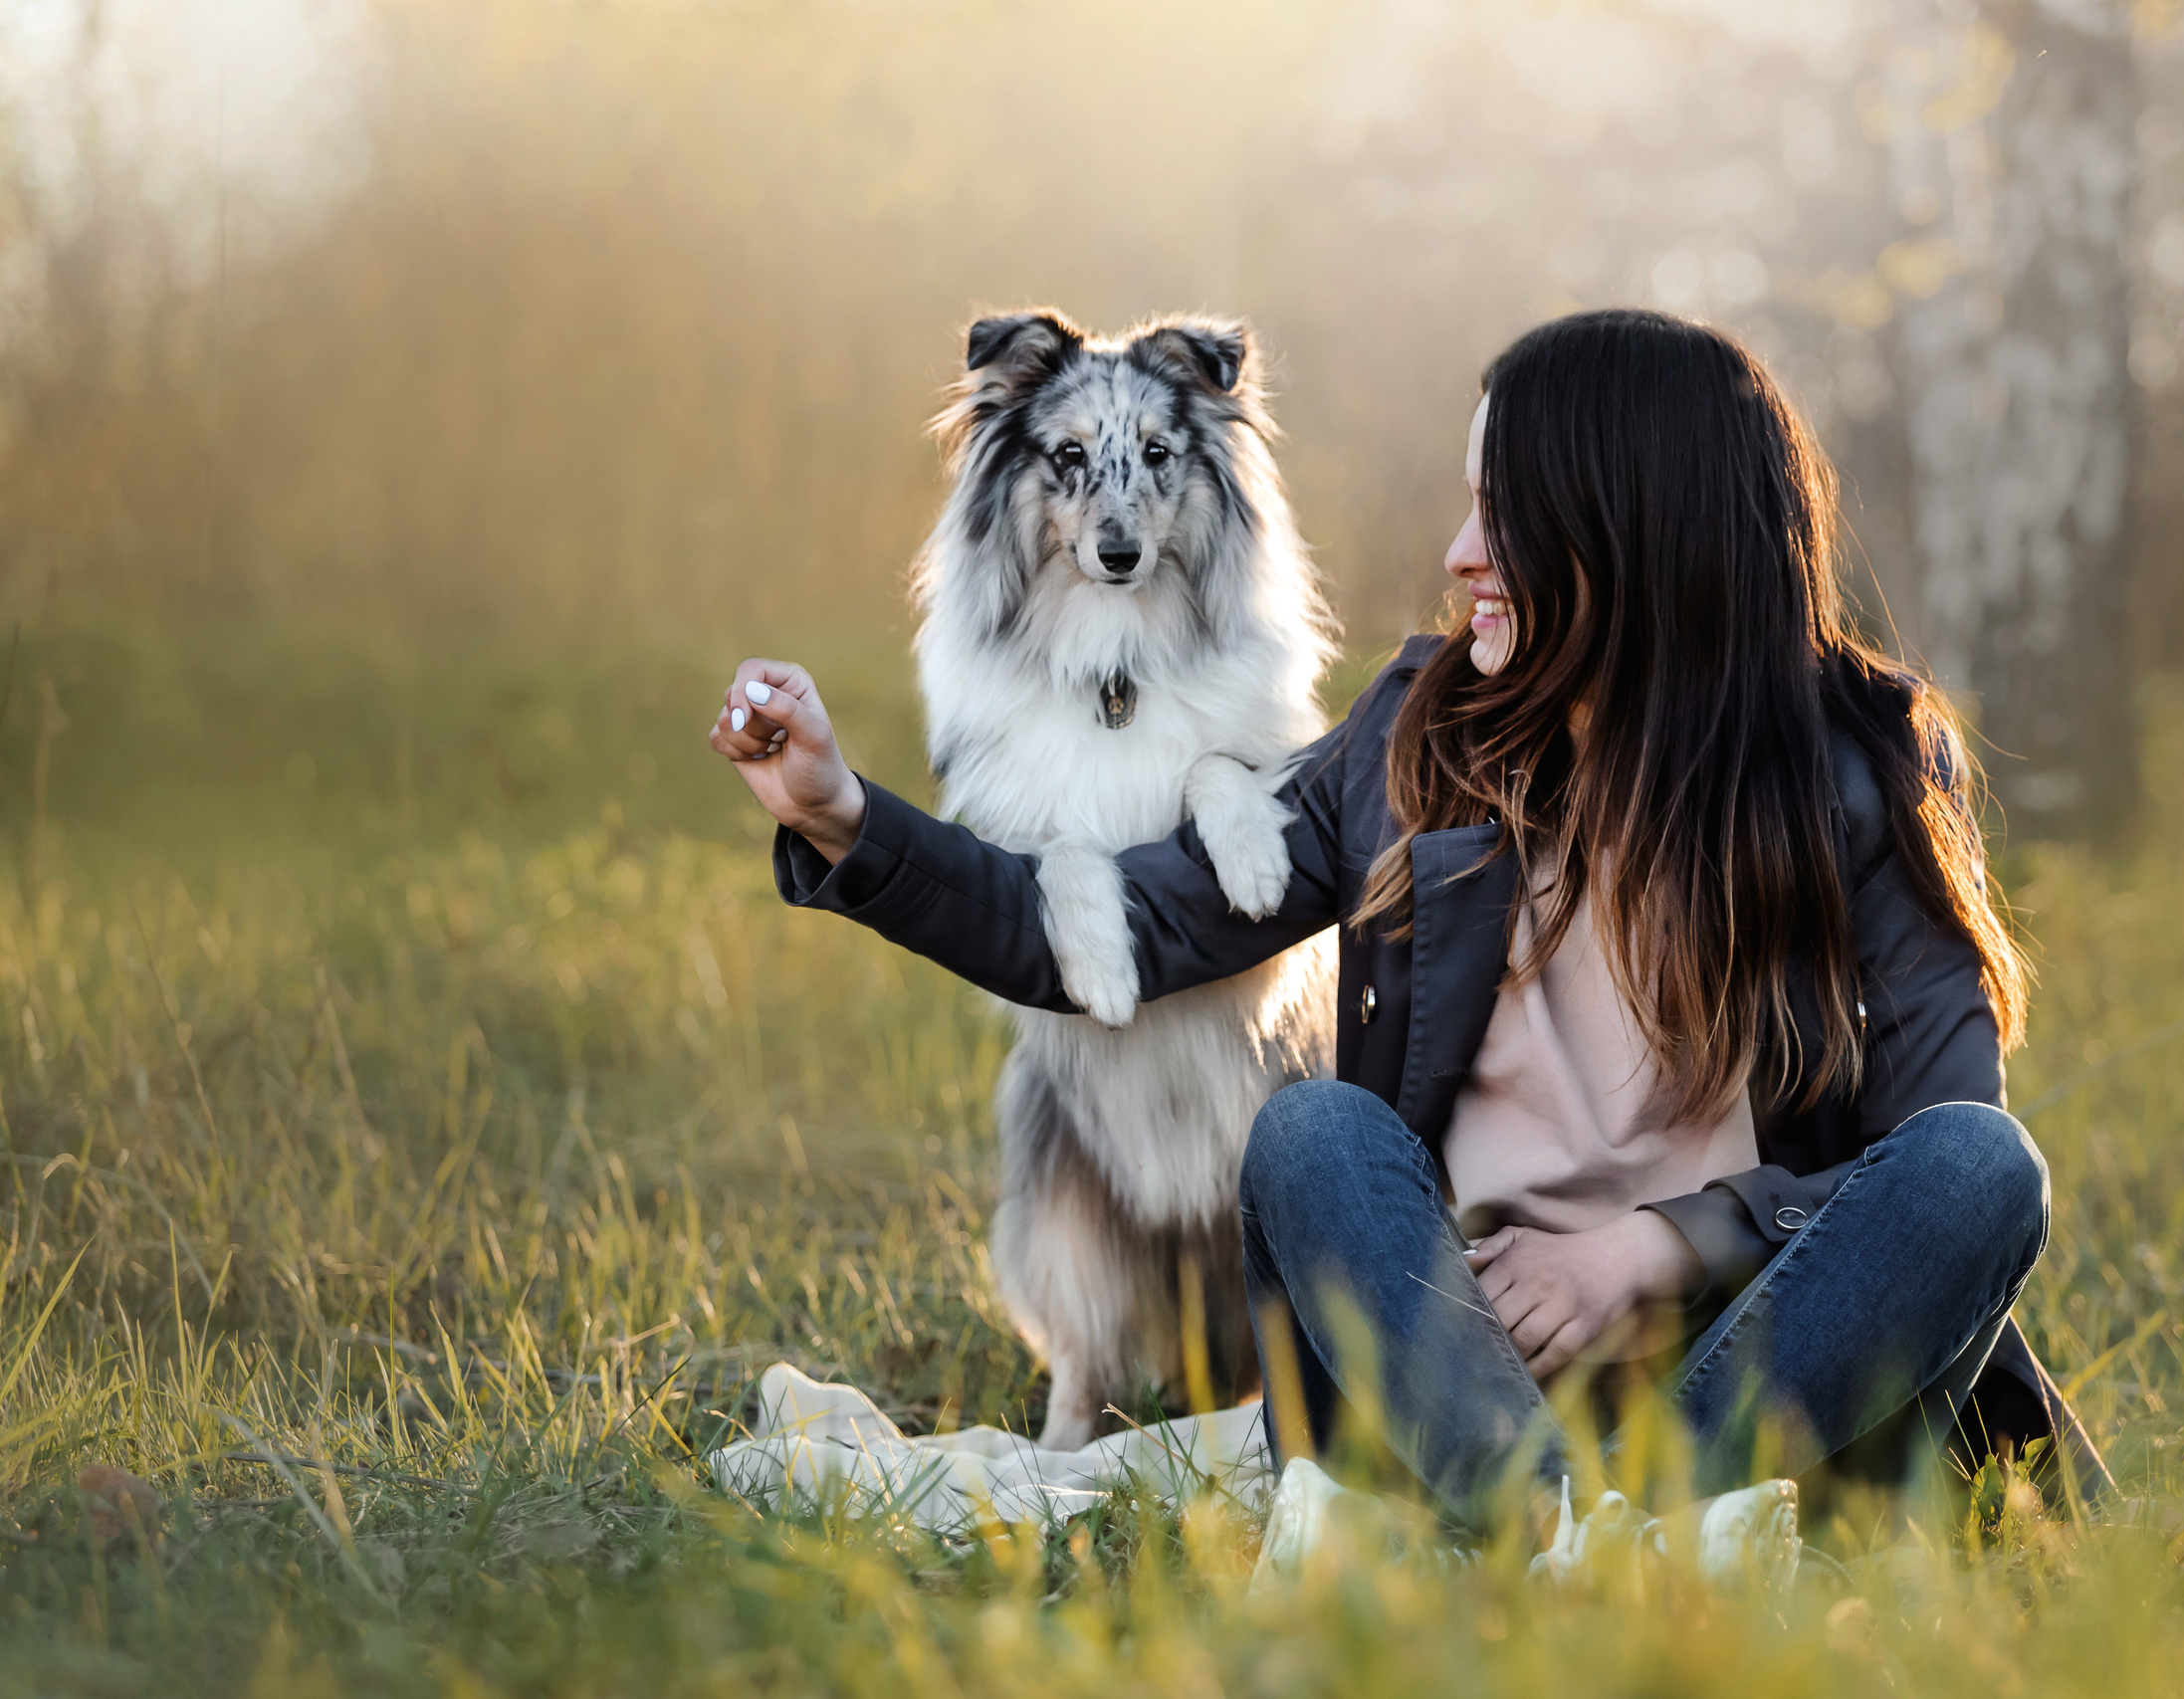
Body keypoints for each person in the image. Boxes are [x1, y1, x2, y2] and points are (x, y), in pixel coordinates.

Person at [707, 309, 2111, 1541]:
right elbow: (1115, 934)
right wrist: (843, 816)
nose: (1459, 553)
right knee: (1316, 1136)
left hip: (1764, 1366)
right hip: (1445, 1367)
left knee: (1983, 1167)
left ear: (1632, 528)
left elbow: (1922, 1156)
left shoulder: (1861, 762)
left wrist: (1658, 1245)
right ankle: (1583, 1530)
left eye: (1501, 512)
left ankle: (1629, 1520)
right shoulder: (1417, 739)